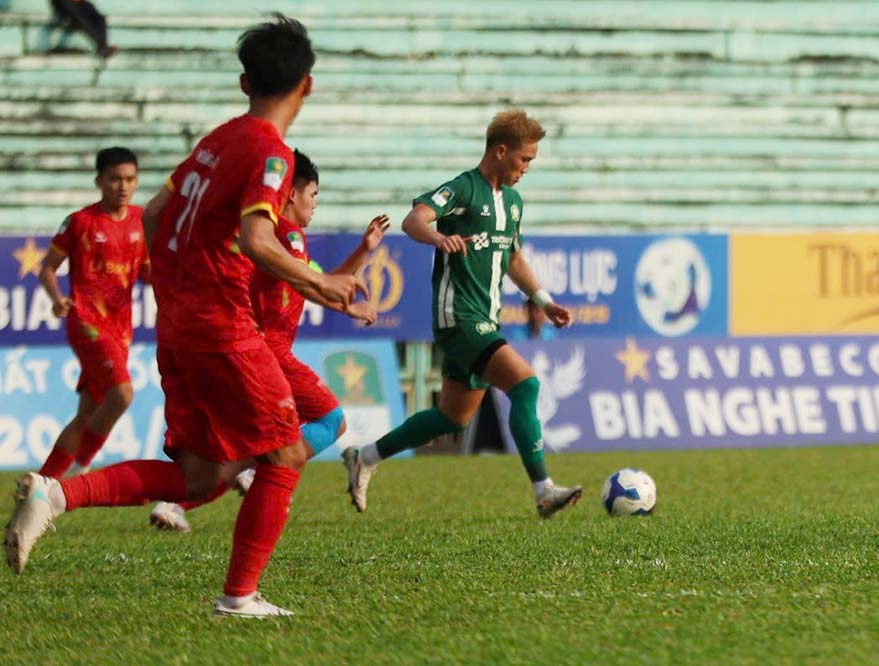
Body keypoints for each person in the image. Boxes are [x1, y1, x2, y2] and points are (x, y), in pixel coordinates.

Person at [4, 15, 364, 618]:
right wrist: (319, 280)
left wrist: (176, 286)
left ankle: (54, 492)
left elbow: (153, 214)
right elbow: (256, 237)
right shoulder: (271, 153)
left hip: (179, 326)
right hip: (223, 328)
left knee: (201, 478)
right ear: (307, 85)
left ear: (244, 80)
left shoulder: (217, 139)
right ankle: (239, 596)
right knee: (285, 455)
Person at [343, 109, 583, 518]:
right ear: (501, 151)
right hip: (459, 316)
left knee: (453, 416)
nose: (527, 168)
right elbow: (413, 219)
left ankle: (364, 456)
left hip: (485, 318)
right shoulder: (464, 189)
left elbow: (512, 258)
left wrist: (544, 300)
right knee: (525, 385)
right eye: (524, 160)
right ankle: (543, 489)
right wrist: (438, 237)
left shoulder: (513, 202)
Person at [149, 150, 389, 532]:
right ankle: (243, 486)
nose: (315, 205)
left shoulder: (280, 238)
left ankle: (178, 502)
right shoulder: (288, 236)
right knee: (329, 421)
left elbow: (321, 281)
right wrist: (348, 307)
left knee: (249, 446)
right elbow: (313, 284)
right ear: (292, 193)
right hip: (268, 352)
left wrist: (364, 250)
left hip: (254, 349)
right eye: (313, 195)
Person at [36, 147, 148, 480]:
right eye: (114, 179)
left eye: (129, 179)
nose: (122, 186)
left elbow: (147, 273)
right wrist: (57, 298)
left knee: (87, 413)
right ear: (99, 181)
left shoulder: (143, 222)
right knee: (122, 394)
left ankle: (43, 482)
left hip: (121, 327)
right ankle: (81, 470)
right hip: (86, 321)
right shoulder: (80, 222)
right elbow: (47, 269)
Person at [49, 0, 117, 58]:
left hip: (77, 4)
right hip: (63, 3)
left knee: (99, 18)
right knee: (82, 19)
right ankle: (101, 47)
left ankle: (102, 47)